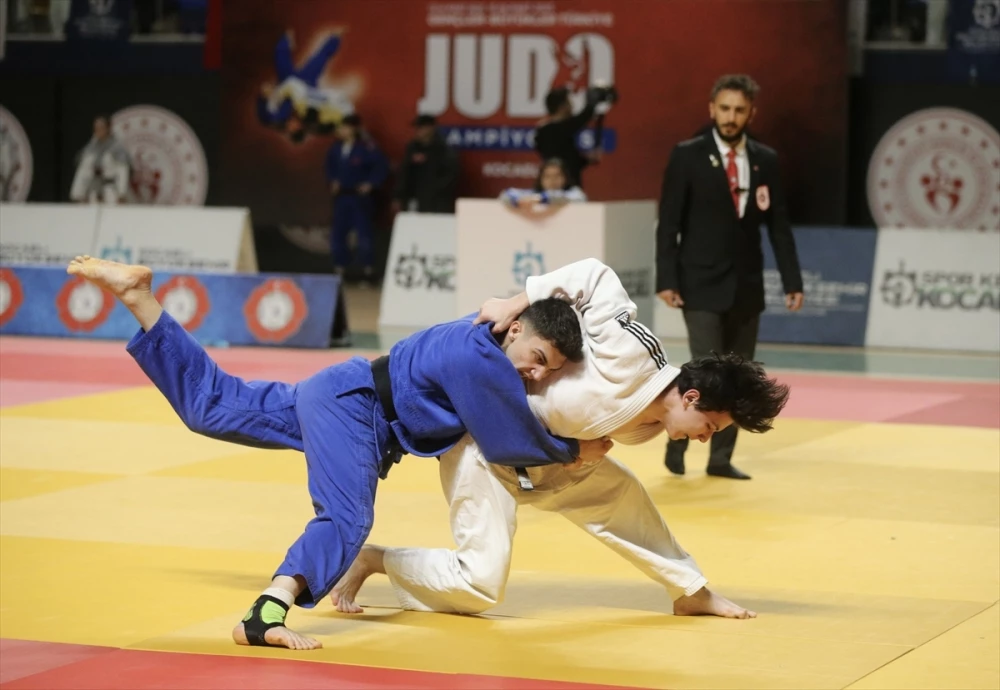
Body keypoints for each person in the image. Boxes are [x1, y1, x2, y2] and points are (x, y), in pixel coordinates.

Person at [64, 255, 611, 651]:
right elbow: (506, 439)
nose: (537, 374)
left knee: (214, 406)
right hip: (356, 408)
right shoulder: (480, 358)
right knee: (348, 517)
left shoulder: (481, 332)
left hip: (344, 392)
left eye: (551, 370)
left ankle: (140, 299)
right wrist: (572, 450)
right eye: (538, 356)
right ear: (514, 329)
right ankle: (265, 615)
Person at [331, 259, 790, 620]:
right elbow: (594, 275)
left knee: (623, 495)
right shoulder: (633, 354)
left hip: (544, 456)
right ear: (691, 397)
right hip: (482, 446)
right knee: (480, 587)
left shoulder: (650, 425)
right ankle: (375, 560)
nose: (704, 439)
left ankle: (690, 591)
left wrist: (572, 455)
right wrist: (516, 302)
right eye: (710, 428)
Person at [656, 74, 804, 481]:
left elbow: (779, 226)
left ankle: (720, 459)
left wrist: (792, 280)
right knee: (704, 370)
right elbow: (669, 222)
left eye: (739, 110)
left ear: (751, 113)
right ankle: (678, 436)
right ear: (712, 109)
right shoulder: (688, 155)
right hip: (699, 282)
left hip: (746, 285)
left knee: (741, 376)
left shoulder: (764, 159)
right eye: (724, 108)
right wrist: (666, 278)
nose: (731, 117)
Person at [256, 30, 355, 144]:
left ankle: (287, 36)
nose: (291, 124)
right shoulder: (312, 118)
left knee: (279, 54)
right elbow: (329, 110)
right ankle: (335, 38)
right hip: (306, 84)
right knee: (319, 59)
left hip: (287, 82)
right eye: (295, 127)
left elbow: (263, 116)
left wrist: (263, 98)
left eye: (290, 129)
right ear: (302, 127)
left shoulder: (276, 120)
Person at [324, 114, 389, 282]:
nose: (341, 131)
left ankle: (367, 270)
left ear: (353, 129)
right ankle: (340, 269)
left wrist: (371, 183)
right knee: (338, 233)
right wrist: (332, 180)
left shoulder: (367, 147)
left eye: (344, 127)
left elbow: (381, 166)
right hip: (342, 197)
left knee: (364, 234)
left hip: (359, 198)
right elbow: (329, 167)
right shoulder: (336, 148)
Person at [533, 87, 601, 189]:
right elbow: (583, 117)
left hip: (554, 186)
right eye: (569, 103)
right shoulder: (562, 128)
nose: (572, 107)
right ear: (562, 107)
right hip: (568, 186)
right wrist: (592, 103)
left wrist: (586, 160)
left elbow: (567, 154)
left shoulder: (542, 130)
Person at [393, 114, 459, 214]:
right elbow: (405, 174)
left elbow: (450, 176)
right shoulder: (412, 148)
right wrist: (398, 196)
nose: (417, 131)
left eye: (421, 128)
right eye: (417, 128)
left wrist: (432, 191)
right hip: (413, 200)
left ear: (431, 128)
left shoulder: (444, 150)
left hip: (437, 202)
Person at [69, 115, 130, 204]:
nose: (98, 130)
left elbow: (123, 172)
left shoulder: (117, 148)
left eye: (101, 127)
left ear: (108, 128)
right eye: (96, 128)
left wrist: (122, 194)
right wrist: (78, 193)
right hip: (93, 191)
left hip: (111, 191)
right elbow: (83, 171)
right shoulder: (91, 148)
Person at [499, 158, 587, 220]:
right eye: (547, 176)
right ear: (540, 179)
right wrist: (518, 201)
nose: (552, 180)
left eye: (557, 176)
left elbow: (577, 198)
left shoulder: (575, 193)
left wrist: (542, 199)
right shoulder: (534, 195)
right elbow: (506, 195)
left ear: (566, 177)